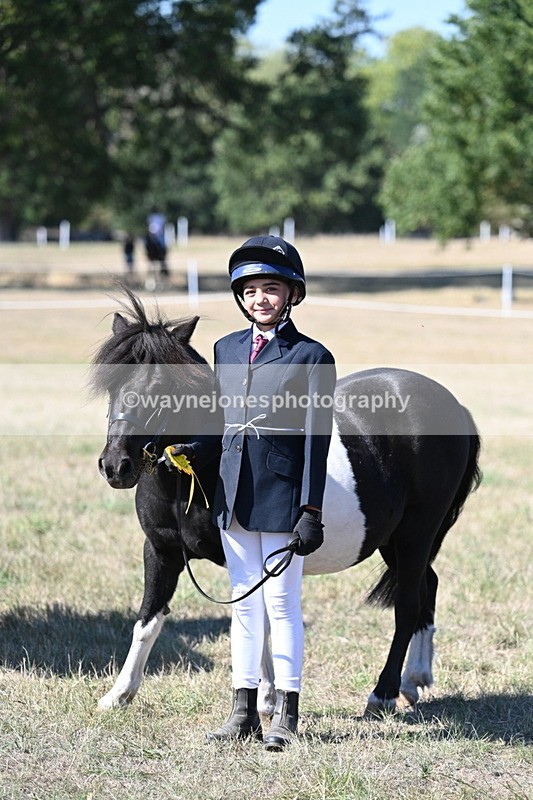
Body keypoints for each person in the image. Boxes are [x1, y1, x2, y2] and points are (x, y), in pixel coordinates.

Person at [165, 235, 336, 750]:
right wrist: (191, 447)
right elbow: (221, 422)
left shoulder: (313, 355)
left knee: (281, 606)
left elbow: (316, 440)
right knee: (243, 605)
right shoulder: (226, 349)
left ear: (291, 294)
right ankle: (242, 711)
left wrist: (311, 508)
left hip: (284, 498)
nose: (260, 298)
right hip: (233, 495)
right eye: (251, 289)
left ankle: (286, 712)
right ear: (240, 296)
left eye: (271, 288)